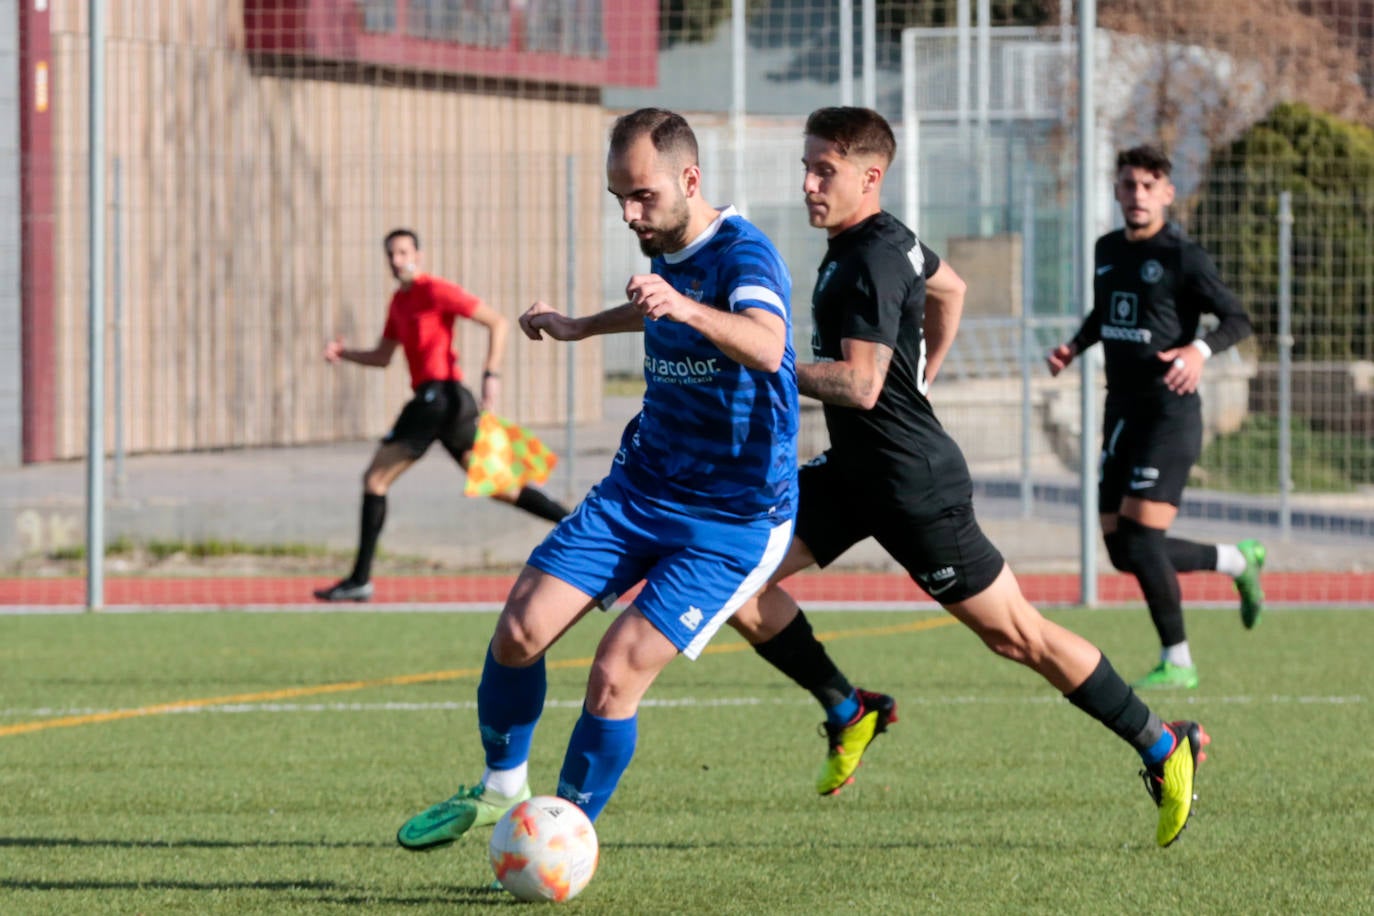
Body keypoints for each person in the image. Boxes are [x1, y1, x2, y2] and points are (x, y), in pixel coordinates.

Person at [728, 107, 1208, 848]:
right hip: (857, 472)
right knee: (736, 577)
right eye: (808, 166)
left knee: (1018, 637)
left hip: (913, 488)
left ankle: (1161, 744)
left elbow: (858, 385)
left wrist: (765, 359)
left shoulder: (869, 260)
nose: (807, 183)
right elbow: (949, 288)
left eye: (824, 169)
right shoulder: (877, 241)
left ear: (870, 176)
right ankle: (847, 708)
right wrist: (925, 375)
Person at [393, 107, 800, 848]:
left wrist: (685, 306)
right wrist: (583, 325)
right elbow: (660, 312)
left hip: (732, 518)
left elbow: (769, 346)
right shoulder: (667, 248)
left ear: (690, 179)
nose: (629, 214)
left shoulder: (746, 255)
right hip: (641, 488)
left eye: (642, 196)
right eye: (618, 198)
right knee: (519, 630)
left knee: (614, 674)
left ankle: (563, 837)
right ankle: (499, 790)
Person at [1047, 145, 1265, 691]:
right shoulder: (1106, 249)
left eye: (1149, 185)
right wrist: (1074, 347)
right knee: (1122, 550)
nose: (1138, 195)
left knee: (1144, 542)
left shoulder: (1182, 256)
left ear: (1167, 191)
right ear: (1117, 190)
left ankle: (1179, 661)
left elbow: (1238, 319)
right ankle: (1236, 560)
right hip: (1120, 410)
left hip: (1169, 415)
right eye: (1128, 184)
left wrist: (1199, 351)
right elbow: (1108, 312)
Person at [313, 228, 570, 602]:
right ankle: (585, 534)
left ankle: (359, 579)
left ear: (419, 254)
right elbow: (384, 357)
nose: (397, 260)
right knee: (502, 489)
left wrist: (491, 374)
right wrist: (344, 353)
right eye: (391, 254)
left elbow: (497, 322)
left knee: (374, 480)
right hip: (444, 404)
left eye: (403, 252)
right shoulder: (398, 303)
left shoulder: (434, 289)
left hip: (442, 397)